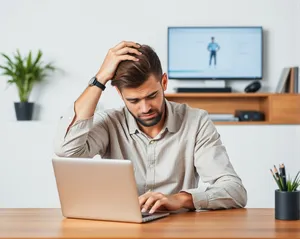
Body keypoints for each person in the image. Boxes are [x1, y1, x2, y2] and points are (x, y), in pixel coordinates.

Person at [54, 41, 247, 214]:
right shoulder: (110, 123)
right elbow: (67, 152)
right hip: (122, 230)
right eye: (134, 100)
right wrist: (100, 78)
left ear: (164, 82)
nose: (145, 108)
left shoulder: (195, 122)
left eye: (152, 96)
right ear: (119, 94)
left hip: (178, 230)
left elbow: (234, 190)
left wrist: (179, 199)